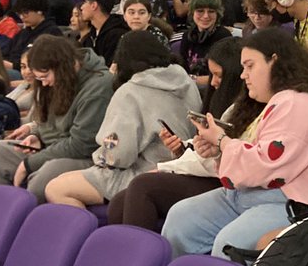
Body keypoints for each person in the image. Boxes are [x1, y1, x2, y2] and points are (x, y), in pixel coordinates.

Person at [162, 28, 308, 258]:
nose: (243, 75)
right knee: (180, 220)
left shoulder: (304, 101)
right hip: (250, 193)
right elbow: (255, 156)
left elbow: (264, 164)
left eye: (250, 66)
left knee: (229, 246)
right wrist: (218, 149)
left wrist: (222, 141)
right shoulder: (285, 98)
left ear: (274, 62)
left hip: (299, 203)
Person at [107, 37, 260, 231]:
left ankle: (141, 257)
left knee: (142, 186)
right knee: (119, 202)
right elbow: (206, 150)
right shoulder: (230, 105)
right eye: (211, 75)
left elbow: (221, 158)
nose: (213, 83)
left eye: (218, 75)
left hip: (221, 180)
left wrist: (169, 167)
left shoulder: (250, 109)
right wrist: (182, 149)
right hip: (203, 169)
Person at [42, 32, 202, 207]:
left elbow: (117, 155)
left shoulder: (130, 91)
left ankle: (96, 233)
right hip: (186, 170)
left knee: (56, 188)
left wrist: (99, 158)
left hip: (148, 174)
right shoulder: (186, 81)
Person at [0, 35, 114, 201]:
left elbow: (81, 145)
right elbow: (45, 123)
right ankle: (2, 213)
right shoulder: (58, 80)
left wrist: (30, 163)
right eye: (39, 79)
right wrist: (37, 137)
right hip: (53, 148)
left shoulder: (98, 86)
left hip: (86, 157)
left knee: (44, 178)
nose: (45, 84)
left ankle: (28, 221)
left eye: (45, 77)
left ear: (61, 67)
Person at [179, 0, 232, 84]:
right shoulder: (187, 36)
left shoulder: (224, 37)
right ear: (192, 12)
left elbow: (226, 76)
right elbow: (182, 69)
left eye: (211, 11)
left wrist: (192, 80)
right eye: (200, 11)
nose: (206, 16)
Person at [4, 0, 62, 70]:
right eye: (19, 14)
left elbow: (44, 62)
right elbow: (6, 53)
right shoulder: (22, 33)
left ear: (39, 11)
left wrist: (13, 66)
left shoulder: (52, 33)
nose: (22, 17)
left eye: (26, 12)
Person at [78, 0, 126, 67]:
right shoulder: (90, 36)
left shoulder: (117, 35)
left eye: (85, 2)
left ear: (94, 5)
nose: (81, 7)